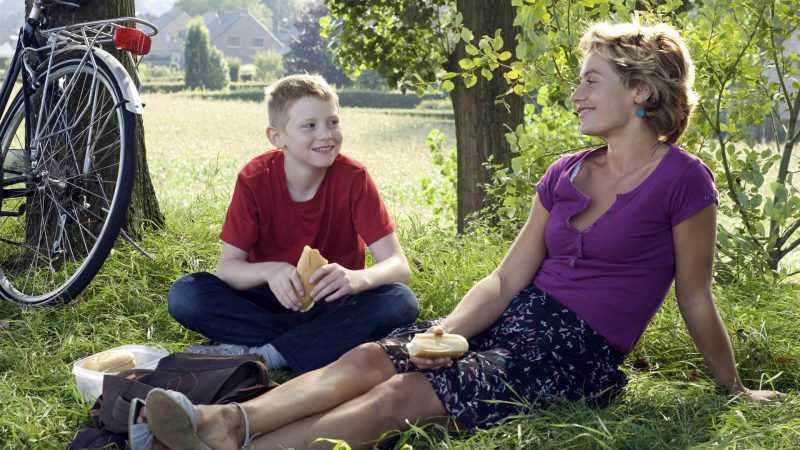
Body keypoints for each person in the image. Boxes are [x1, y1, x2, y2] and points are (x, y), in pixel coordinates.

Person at [139, 21, 784, 449]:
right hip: (514, 317)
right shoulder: (564, 173)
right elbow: (505, 279)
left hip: (574, 350)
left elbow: (694, 297)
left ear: (641, 91)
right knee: (372, 358)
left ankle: (237, 445)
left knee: (403, 394)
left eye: (592, 80)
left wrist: (733, 387)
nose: (576, 92)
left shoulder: (683, 181)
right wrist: (445, 330)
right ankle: (228, 421)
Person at [167, 74, 419, 374]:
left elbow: (398, 265)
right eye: (309, 126)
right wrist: (270, 270)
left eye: (333, 122)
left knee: (400, 301)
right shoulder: (254, 179)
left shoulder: (354, 178)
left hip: (332, 301)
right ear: (277, 137)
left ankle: (266, 355)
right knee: (185, 294)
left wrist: (356, 279)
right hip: (266, 301)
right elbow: (228, 269)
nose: (325, 134)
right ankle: (311, 344)